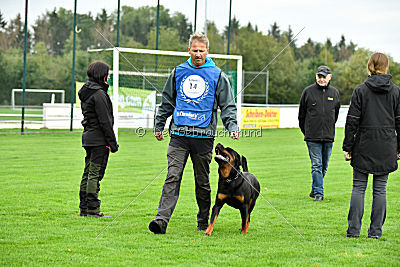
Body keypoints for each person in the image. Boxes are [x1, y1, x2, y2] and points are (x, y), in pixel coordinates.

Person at [149, 33, 239, 234]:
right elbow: (167, 101)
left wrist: (232, 126)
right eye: (195, 50)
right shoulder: (178, 72)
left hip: (204, 137)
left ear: (207, 51)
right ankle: (161, 221)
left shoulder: (217, 75)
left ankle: (202, 221)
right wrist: (159, 124)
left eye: (202, 50)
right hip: (179, 134)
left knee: (202, 182)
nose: (198, 54)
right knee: (172, 176)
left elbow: (228, 105)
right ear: (189, 50)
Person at [343, 53, 400, 238]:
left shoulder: (360, 91)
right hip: (386, 145)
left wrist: (348, 146)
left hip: (364, 145)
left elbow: (352, 121)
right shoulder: (396, 92)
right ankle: (375, 232)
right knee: (380, 189)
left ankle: (353, 231)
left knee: (359, 187)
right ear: (386, 67)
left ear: (369, 66)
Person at [78, 61, 119, 218]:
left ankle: (84, 208)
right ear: (102, 75)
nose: (108, 77)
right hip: (98, 140)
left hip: (88, 137)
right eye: (107, 74)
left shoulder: (87, 91)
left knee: (88, 173)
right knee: (95, 174)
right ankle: (93, 209)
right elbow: (105, 122)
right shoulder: (99, 94)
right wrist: (112, 143)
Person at [298, 65, 340, 201]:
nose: (321, 79)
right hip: (312, 137)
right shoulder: (307, 92)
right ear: (316, 76)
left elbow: (336, 115)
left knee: (324, 166)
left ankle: (315, 188)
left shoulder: (334, 93)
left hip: (328, 136)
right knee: (317, 164)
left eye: (324, 77)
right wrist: (308, 131)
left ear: (330, 77)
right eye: (319, 76)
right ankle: (318, 193)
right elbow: (301, 116)